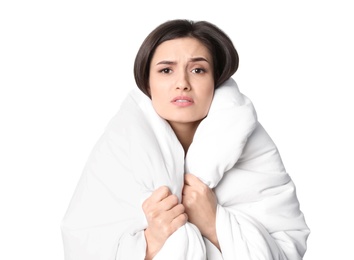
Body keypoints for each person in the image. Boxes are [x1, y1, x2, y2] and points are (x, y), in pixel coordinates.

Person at [61, 19, 310, 259]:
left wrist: (214, 223)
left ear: (216, 81)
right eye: (166, 70)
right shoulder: (118, 150)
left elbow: (289, 245)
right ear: (147, 82)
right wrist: (153, 241)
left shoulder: (254, 148)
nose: (182, 83)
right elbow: (83, 245)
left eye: (198, 70)